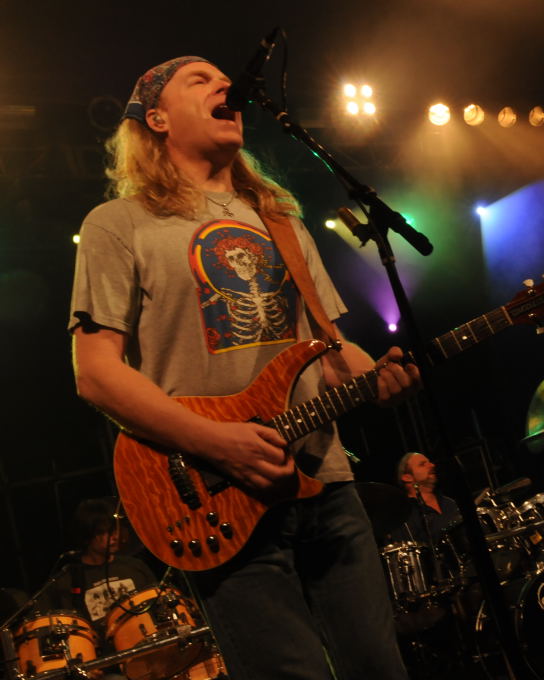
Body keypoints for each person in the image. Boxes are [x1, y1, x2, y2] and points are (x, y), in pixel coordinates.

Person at [69, 56, 420, 680]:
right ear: (156, 118)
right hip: (214, 497)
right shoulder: (119, 224)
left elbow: (330, 350)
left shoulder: (280, 220)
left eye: (222, 79)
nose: (225, 85)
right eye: (199, 81)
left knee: (379, 666)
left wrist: (379, 375)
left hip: (325, 482)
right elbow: (95, 373)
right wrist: (216, 442)